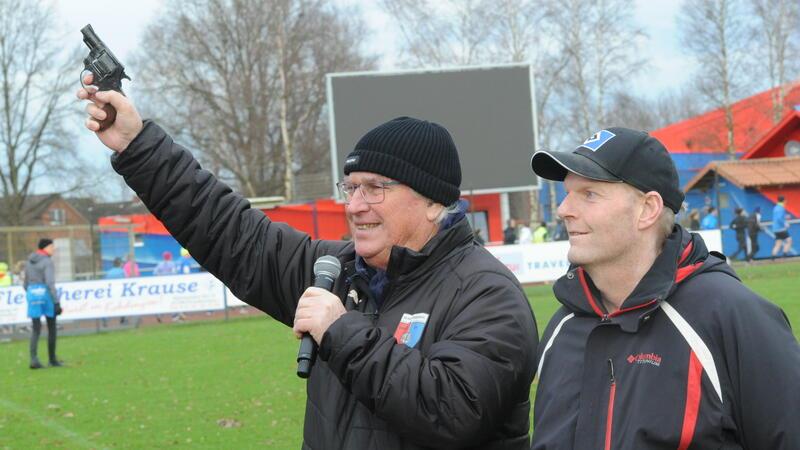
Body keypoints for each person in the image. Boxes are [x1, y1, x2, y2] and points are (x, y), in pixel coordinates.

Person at [78, 80, 538, 449]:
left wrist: (341, 333)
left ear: (434, 201)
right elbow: (228, 230)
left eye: (375, 188)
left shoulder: (486, 293)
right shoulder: (335, 270)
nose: (355, 205)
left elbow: (453, 412)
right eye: (350, 187)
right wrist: (137, 145)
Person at [529, 127, 800, 449]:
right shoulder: (564, 325)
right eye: (567, 193)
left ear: (647, 209)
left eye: (589, 194)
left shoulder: (730, 315)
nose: (563, 210)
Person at [24, 238, 63, 369]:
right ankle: (52, 359)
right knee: (51, 326)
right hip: (45, 295)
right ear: (45, 248)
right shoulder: (47, 262)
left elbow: (25, 282)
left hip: (32, 293)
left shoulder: (28, 261)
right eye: (52, 247)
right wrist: (56, 302)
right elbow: (50, 283)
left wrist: (30, 292)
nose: (53, 249)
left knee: (36, 328)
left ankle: (33, 358)